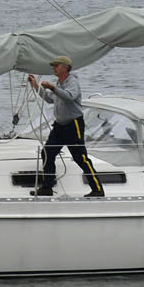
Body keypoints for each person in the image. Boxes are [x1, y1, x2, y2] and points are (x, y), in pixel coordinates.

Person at [26, 55, 104, 197]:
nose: (54, 68)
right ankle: (47, 187)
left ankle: (98, 189)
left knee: (81, 158)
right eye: (54, 65)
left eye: (57, 65)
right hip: (60, 126)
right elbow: (50, 99)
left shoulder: (72, 82)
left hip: (73, 125)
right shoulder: (59, 84)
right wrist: (36, 86)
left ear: (65, 68)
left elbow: (69, 96)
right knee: (47, 153)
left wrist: (53, 88)